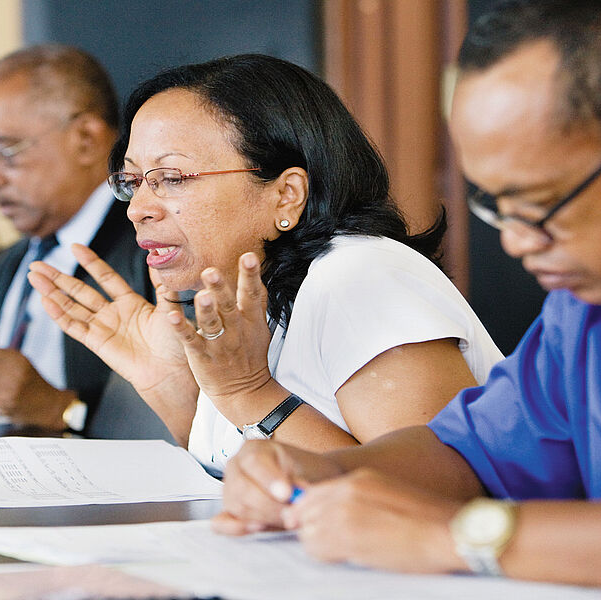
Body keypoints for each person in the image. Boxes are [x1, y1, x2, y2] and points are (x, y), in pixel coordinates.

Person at [214, 0, 601, 588]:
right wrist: (321, 476)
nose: (515, 242)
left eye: (540, 204)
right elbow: (469, 452)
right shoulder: (585, 311)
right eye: (498, 206)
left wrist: (451, 536)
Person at [28, 54, 503, 472]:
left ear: (286, 194)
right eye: (133, 182)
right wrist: (171, 385)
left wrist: (249, 392)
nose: (137, 209)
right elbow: (233, 474)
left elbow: (433, 494)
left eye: (171, 178)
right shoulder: (255, 293)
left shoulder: (361, 278)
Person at [0, 45, 157, 434]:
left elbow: (193, 412)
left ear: (85, 140)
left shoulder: (154, 249)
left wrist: (62, 409)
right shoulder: (4, 266)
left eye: (4, 152)